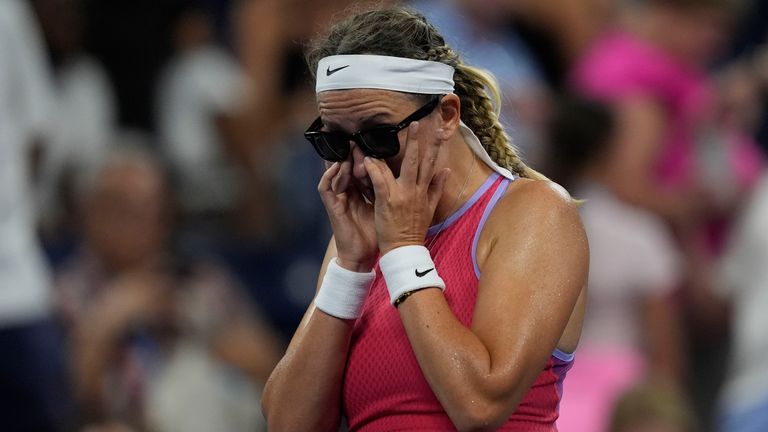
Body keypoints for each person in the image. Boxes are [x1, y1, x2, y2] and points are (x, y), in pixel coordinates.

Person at [261, 7, 589, 431]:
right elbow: (289, 425)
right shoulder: (358, 245)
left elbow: (480, 405)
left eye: (378, 136)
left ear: (447, 116)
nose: (360, 166)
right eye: (336, 142)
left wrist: (402, 251)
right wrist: (350, 269)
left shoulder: (535, 213)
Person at [56, 147, 282, 431]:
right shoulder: (68, 291)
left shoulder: (198, 278)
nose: (140, 222)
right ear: (90, 214)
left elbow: (272, 369)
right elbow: (64, 399)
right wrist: (110, 318)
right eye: (123, 208)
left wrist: (203, 331)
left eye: (150, 208)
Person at [545, 96, 685, 432]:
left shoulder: (530, 230)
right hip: (625, 401)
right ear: (609, 148)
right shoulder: (639, 234)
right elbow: (665, 348)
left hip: (549, 393)